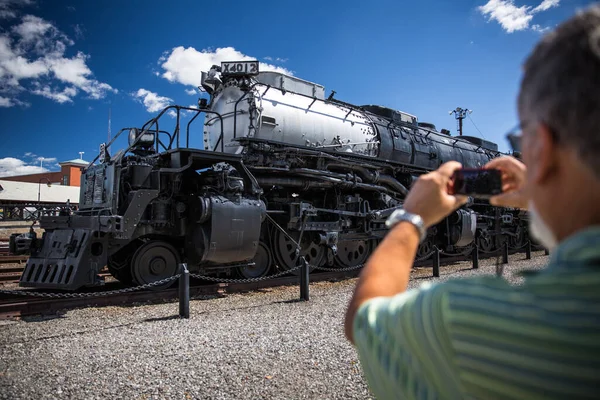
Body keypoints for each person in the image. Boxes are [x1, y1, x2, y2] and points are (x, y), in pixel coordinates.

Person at [344, 4, 600, 399]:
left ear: (542, 149)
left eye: (523, 144)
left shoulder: (469, 324)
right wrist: (541, 194)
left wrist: (411, 218)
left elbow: (364, 322)